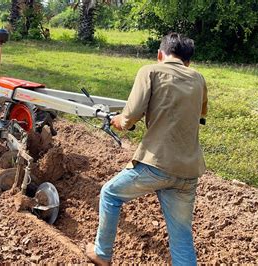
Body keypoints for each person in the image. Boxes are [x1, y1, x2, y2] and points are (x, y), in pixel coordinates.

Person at [85, 32, 208, 266]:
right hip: (188, 171)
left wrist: (118, 121)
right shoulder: (198, 78)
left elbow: (129, 118)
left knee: (110, 194)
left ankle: (102, 253)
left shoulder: (150, 71)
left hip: (157, 165)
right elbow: (199, 114)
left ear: (160, 54)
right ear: (188, 61)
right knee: (181, 235)